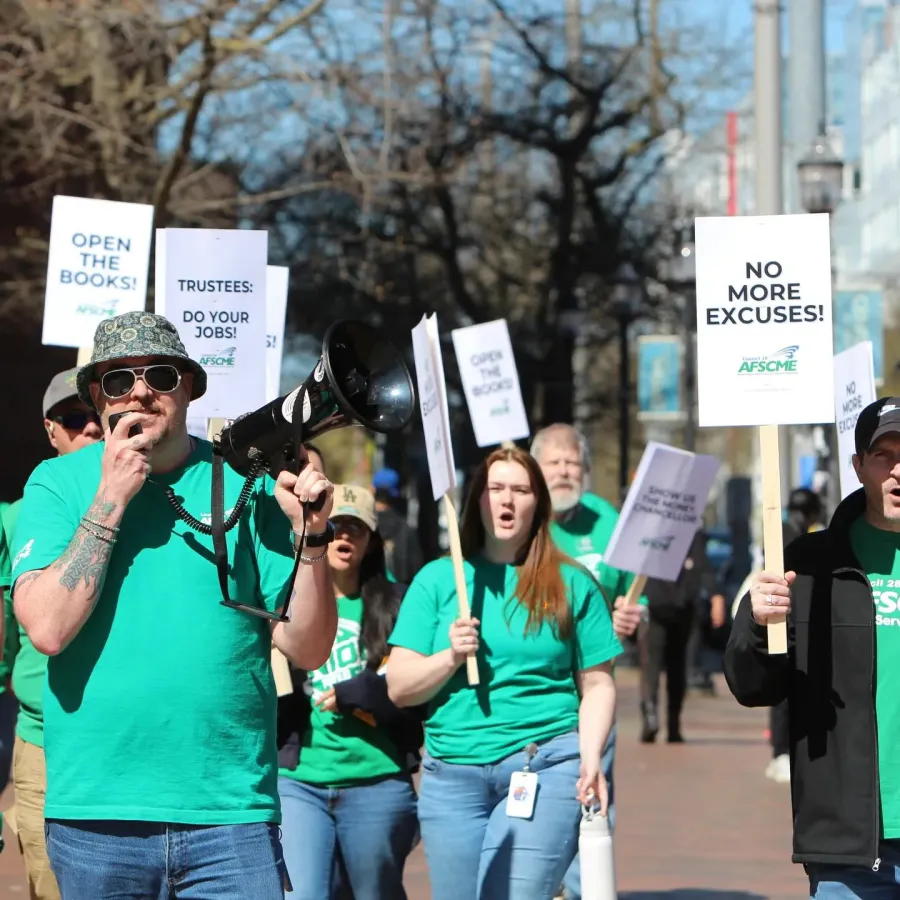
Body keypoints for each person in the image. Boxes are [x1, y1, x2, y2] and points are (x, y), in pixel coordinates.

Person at [9, 312, 338, 900]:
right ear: (96, 397)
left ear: (188, 388)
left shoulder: (248, 480)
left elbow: (308, 647)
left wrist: (311, 535)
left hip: (229, 813)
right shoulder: (56, 483)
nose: (139, 391)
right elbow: (49, 630)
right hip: (98, 815)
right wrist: (111, 496)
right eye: (117, 381)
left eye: (159, 375)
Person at [386, 446, 621, 900]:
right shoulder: (438, 580)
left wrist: (592, 758)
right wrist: (449, 657)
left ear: (539, 503)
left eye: (520, 489)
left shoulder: (573, 583)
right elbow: (400, 687)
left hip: (543, 766)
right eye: (496, 489)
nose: (506, 500)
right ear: (477, 500)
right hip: (450, 777)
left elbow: (597, 682)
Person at [724, 396, 900, 895]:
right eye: (884, 455)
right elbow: (752, 685)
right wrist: (759, 622)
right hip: (850, 842)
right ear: (859, 466)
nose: (898, 470)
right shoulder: (808, 565)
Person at [277, 483, 421, 900]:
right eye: (336, 525)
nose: (344, 536)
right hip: (300, 779)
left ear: (372, 541)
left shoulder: (398, 604)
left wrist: (358, 693)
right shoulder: (285, 598)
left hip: (376, 779)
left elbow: (412, 691)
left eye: (356, 528)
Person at [3, 367, 103, 900]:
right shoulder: (17, 516)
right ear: (51, 430)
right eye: (75, 419)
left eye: (97, 418)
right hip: (42, 739)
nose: (90, 429)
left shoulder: (149, 503)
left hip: (122, 740)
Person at [529, 423, 641, 900]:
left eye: (572, 462)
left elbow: (633, 592)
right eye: (553, 462)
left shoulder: (609, 521)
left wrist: (632, 614)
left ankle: (584, 890)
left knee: (592, 796)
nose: (564, 471)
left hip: (592, 691)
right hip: (534, 692)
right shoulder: (521, 518)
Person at [640, 528, 718, 743]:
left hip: (680, 606)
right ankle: (652, 718)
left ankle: (668, 722)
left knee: (671, 668)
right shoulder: (654, 529)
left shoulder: (691, 532)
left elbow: (703, 567)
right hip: (658, 605)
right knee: (656, 666)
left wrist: (714, 594)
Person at [373, 468, 423, 584]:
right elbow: (415, 568)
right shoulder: (405, 528)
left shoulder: (363, 526)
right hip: (398, 595)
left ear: (372, 489)